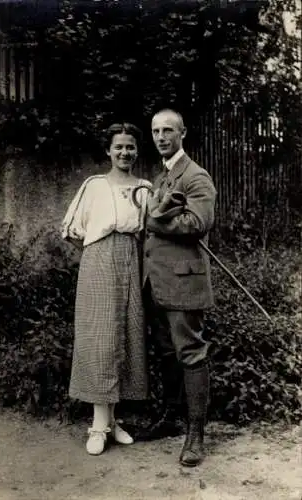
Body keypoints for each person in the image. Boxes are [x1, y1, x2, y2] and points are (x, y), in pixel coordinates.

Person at [61, 123, 151, 456]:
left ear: (137, 151)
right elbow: (71, 231)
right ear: (108, 151)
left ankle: (114, 422)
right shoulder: (94, 185)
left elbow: (150, 232)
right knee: (100, 337)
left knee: (125, 336)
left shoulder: (145, 188)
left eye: (130, 147)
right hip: (98, 258)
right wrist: (95, 255)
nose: (124, 152)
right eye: (118, 147)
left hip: (131, 258)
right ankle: (98, 425)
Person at [143, 108, 217, 467]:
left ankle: (196, 434)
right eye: (156, 130)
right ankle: (170, 418)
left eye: (168, 130)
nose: (161, 137)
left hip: (184, 281)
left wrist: (154, 221)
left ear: (182, 133)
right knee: (166, 351)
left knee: (190, 352)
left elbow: (197, 223)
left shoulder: (195, 176)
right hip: (156, 281)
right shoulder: (161, 177)